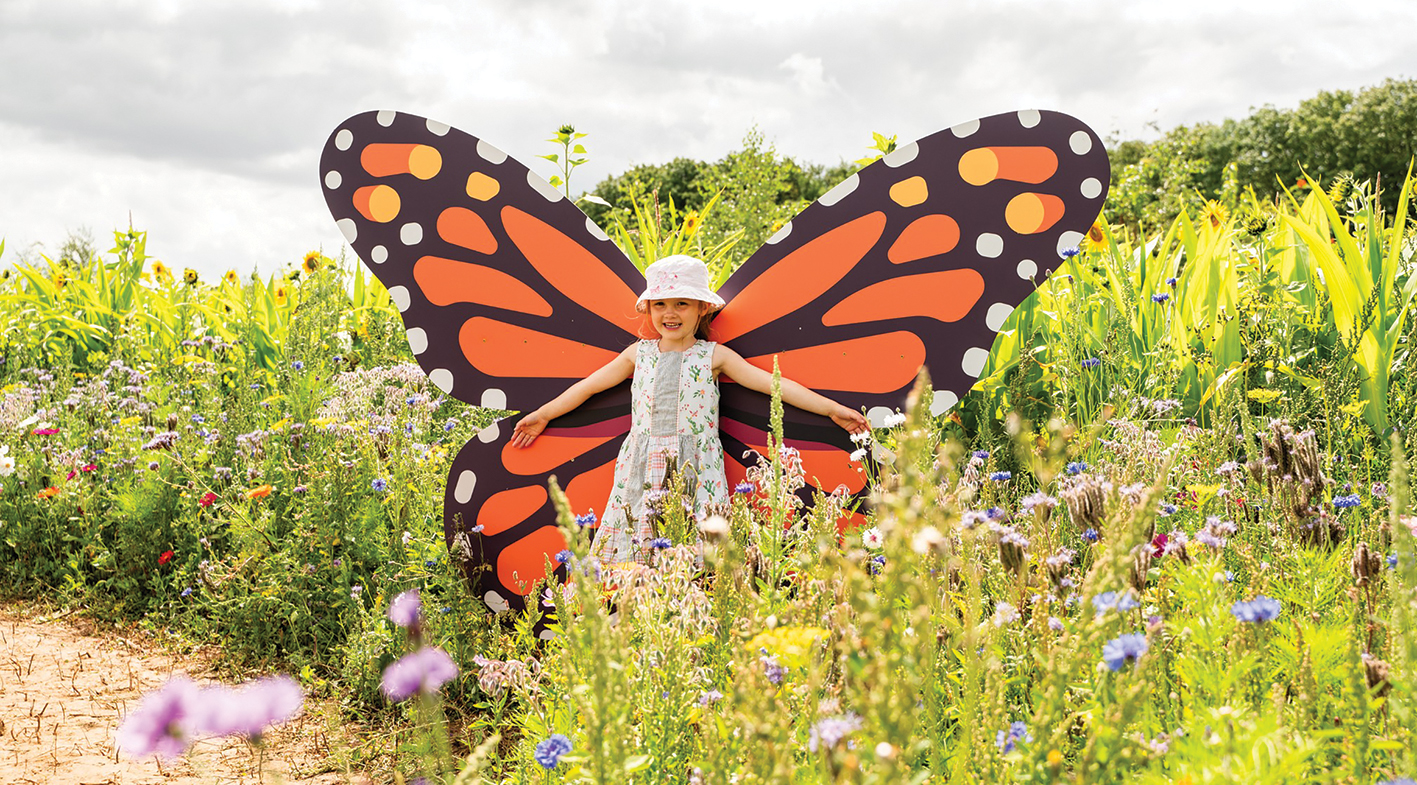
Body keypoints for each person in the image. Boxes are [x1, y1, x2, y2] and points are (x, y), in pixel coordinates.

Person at [509, 254, 868, 564]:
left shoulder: (713, 356)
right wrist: (545, 414)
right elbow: (588, 387)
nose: (670, 313)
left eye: (682, 304)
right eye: (660, 304)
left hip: (696, 466)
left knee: (698, 552)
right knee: (638, 546)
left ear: (702, 308)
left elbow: (773, 385)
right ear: (648, 309)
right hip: (641, 465)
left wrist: (830, 409)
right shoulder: (639, 354)